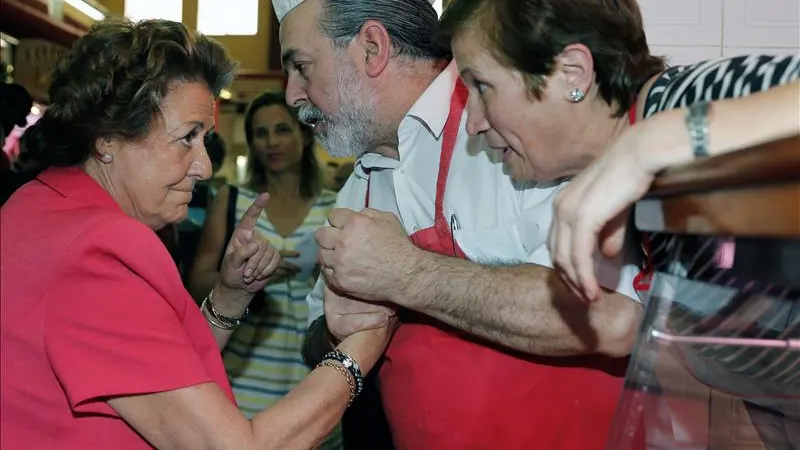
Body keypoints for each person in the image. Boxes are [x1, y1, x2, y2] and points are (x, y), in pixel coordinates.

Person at [0, 18, 393, 450]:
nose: (204, 167)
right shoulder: (99, 250)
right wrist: (365, 343)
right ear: (107, 139)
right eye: (187, 137)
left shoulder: (37, 204)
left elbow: (152, 369)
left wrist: (228, 296)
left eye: (204, 138)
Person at [275, 0, 644, 449]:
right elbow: (316, 338)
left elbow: (608, 314)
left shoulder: (522, 136)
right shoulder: (360, 184)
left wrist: (404, 273)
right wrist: (336, 329)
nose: (293, 94)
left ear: (372, 47)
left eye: (301, 66)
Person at [436, 0, 800, 447]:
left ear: (572, 73)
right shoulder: (646, 212)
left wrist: (650, 142)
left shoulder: (685, 102)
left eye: (482, 85)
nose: (472, 122)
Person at [188, 91, 343, 449]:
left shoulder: (337, 205)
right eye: (260, 133)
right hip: (241, 381)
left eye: (282, 130)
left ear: (304, 134)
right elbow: (197, 282)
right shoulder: (233, 200)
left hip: (313, 384)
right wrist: (246, 279)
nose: (271, 141)